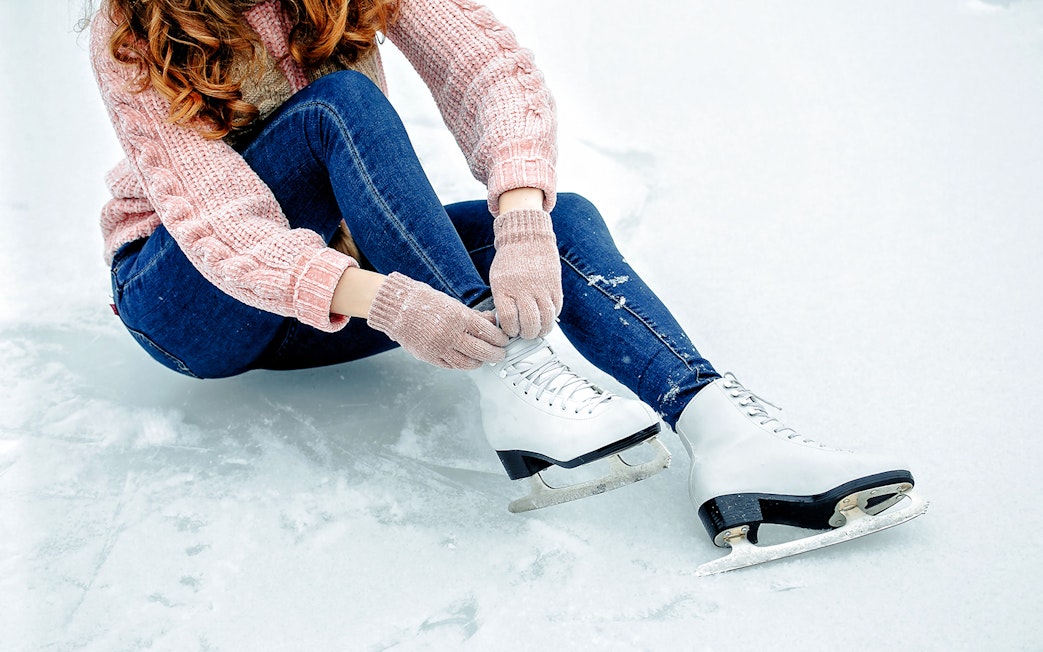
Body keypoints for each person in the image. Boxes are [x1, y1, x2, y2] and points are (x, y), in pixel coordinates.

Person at [89, 0, 924, 571]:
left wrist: (520, 217)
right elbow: (218, 225)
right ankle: (512, 379)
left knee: (565, 219)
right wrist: (381, 297)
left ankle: (725, 437)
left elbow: (486, 67)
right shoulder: (130, 25)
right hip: (189, 302)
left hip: (328, 300)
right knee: (335, 106)